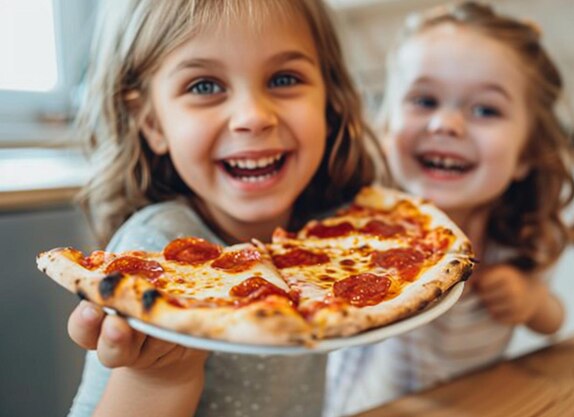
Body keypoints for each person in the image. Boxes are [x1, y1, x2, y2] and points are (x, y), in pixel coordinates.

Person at [66, 0, 387, 416]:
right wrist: (159, 376)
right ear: (152, 123)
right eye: (204, 86)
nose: (253, 117)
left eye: (284, 78)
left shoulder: (336, 237)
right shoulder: (154, 247)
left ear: (328, 102)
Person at [325, 2, 574, 415]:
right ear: (387, 126)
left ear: (526, 153)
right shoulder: (354, 224)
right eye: (424, 101)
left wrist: (532, 301)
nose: (446, 124)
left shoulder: (522, 237)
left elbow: (555, 319)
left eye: (485, 109)